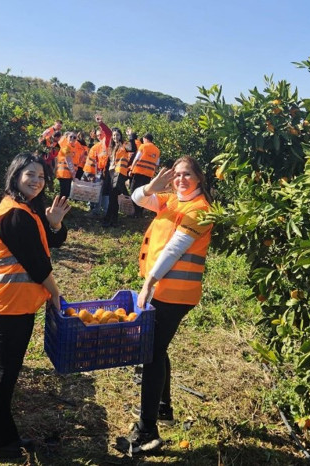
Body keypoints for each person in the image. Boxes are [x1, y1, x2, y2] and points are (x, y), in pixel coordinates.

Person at [0, 152, 71, 461]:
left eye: (41, 177)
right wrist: (55, 293)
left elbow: (46, 244)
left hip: (9, 301)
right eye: (30, 176)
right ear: (15, 176)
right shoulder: (14, 214)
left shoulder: (25, 209)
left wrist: (54, 224)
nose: (37, 182)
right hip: (11, 303)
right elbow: (37, 263)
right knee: (5, 372)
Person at [127, 155, 213, 455]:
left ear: (199, 178)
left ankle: (147, 431)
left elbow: (176, 248)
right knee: (158, 348)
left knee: (151, 353)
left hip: (175, 293)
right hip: (167, 289)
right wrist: (151, 187)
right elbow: (136, 199)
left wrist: (149, 282)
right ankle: (163, 407)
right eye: (176, 174)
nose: (180, 179)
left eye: (187, 174)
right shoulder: (171, 201)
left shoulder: (200, 209)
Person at [101, 127, 130, 227]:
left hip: (120, 174)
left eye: (117, 135)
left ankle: (110, 220)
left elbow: (132, 148)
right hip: (112, 174)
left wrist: (130, 136)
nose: (115, 137)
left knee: (113, 198)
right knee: (113, 198)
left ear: (121, 136)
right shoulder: (112, 148)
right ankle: (112, 220)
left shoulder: (124, 145)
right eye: (114, 135)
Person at [128, 133, 161, 218]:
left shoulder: (143, 146)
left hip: (139, 172)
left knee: (133, 192)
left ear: (145, 138)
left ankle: (136, 212)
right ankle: (140, 212)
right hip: (148, 175)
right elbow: (157, 165)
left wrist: (131, 169)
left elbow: (136, 158)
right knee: (145, 194)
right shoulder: (157, 150)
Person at [55, 132, 77, 198]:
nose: (72, 138)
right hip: (63, 174)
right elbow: (69, 161)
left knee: (66, 193)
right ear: (66, 137)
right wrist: (73, 174)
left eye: (74, 137)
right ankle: (58, 207)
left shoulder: (73, 148)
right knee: (64, 194)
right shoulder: (66, 147)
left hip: (68, 174)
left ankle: (62, 206)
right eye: (70, 137)